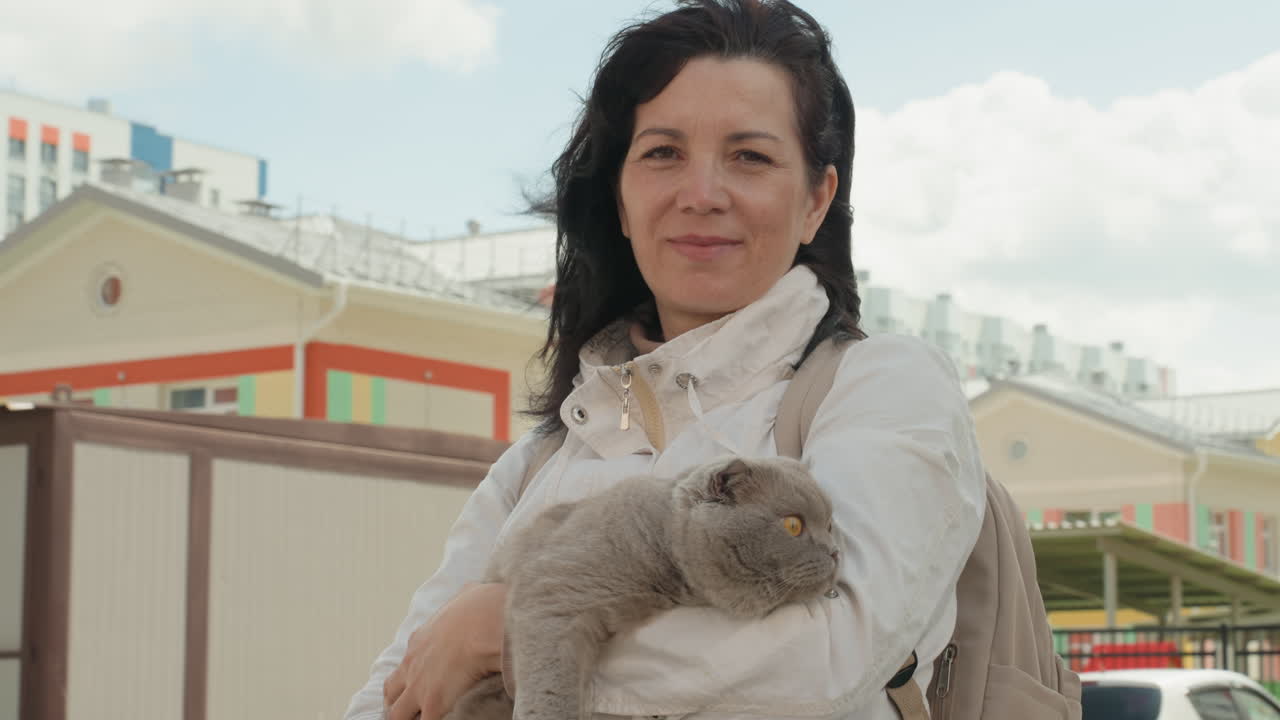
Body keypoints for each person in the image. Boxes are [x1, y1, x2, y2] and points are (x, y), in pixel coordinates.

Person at [344, 1, 986, 718]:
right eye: (662, 154)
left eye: (750, 156)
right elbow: (398, 690)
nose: (702, 195)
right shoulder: (537, 463)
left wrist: (511, 625)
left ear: (816, 200)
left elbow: (827, 660)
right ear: (620, 200)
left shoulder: (885, 388)